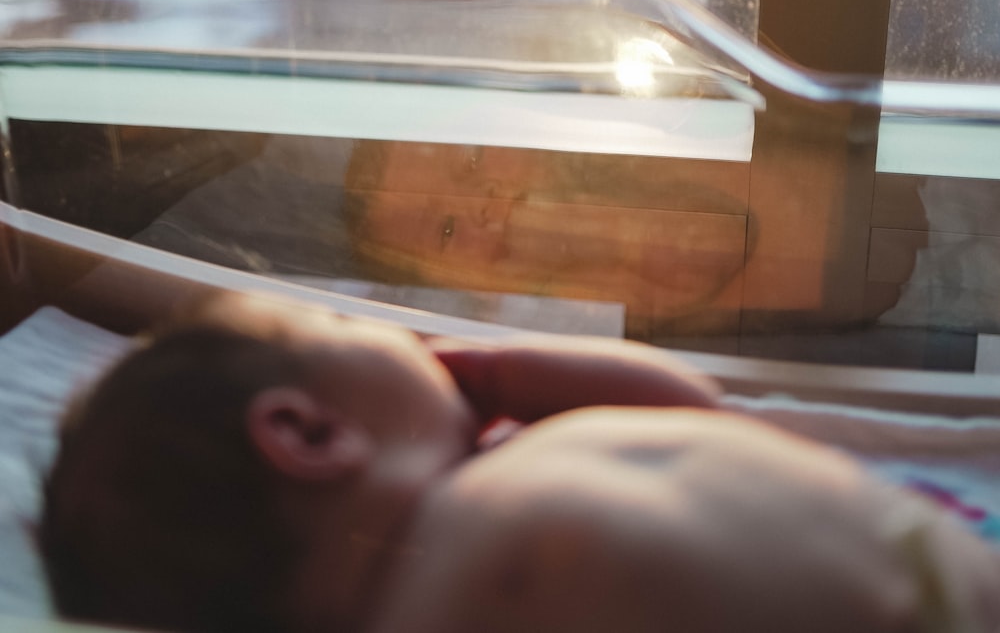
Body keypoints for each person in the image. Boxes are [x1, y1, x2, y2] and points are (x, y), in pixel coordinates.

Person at [40, 292, 1000, 633]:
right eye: (346, 322)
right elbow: (706, 416)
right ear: (310, 436)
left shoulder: (472, 531)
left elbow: (703, 425)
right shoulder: (524, 461)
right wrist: (501, 369)